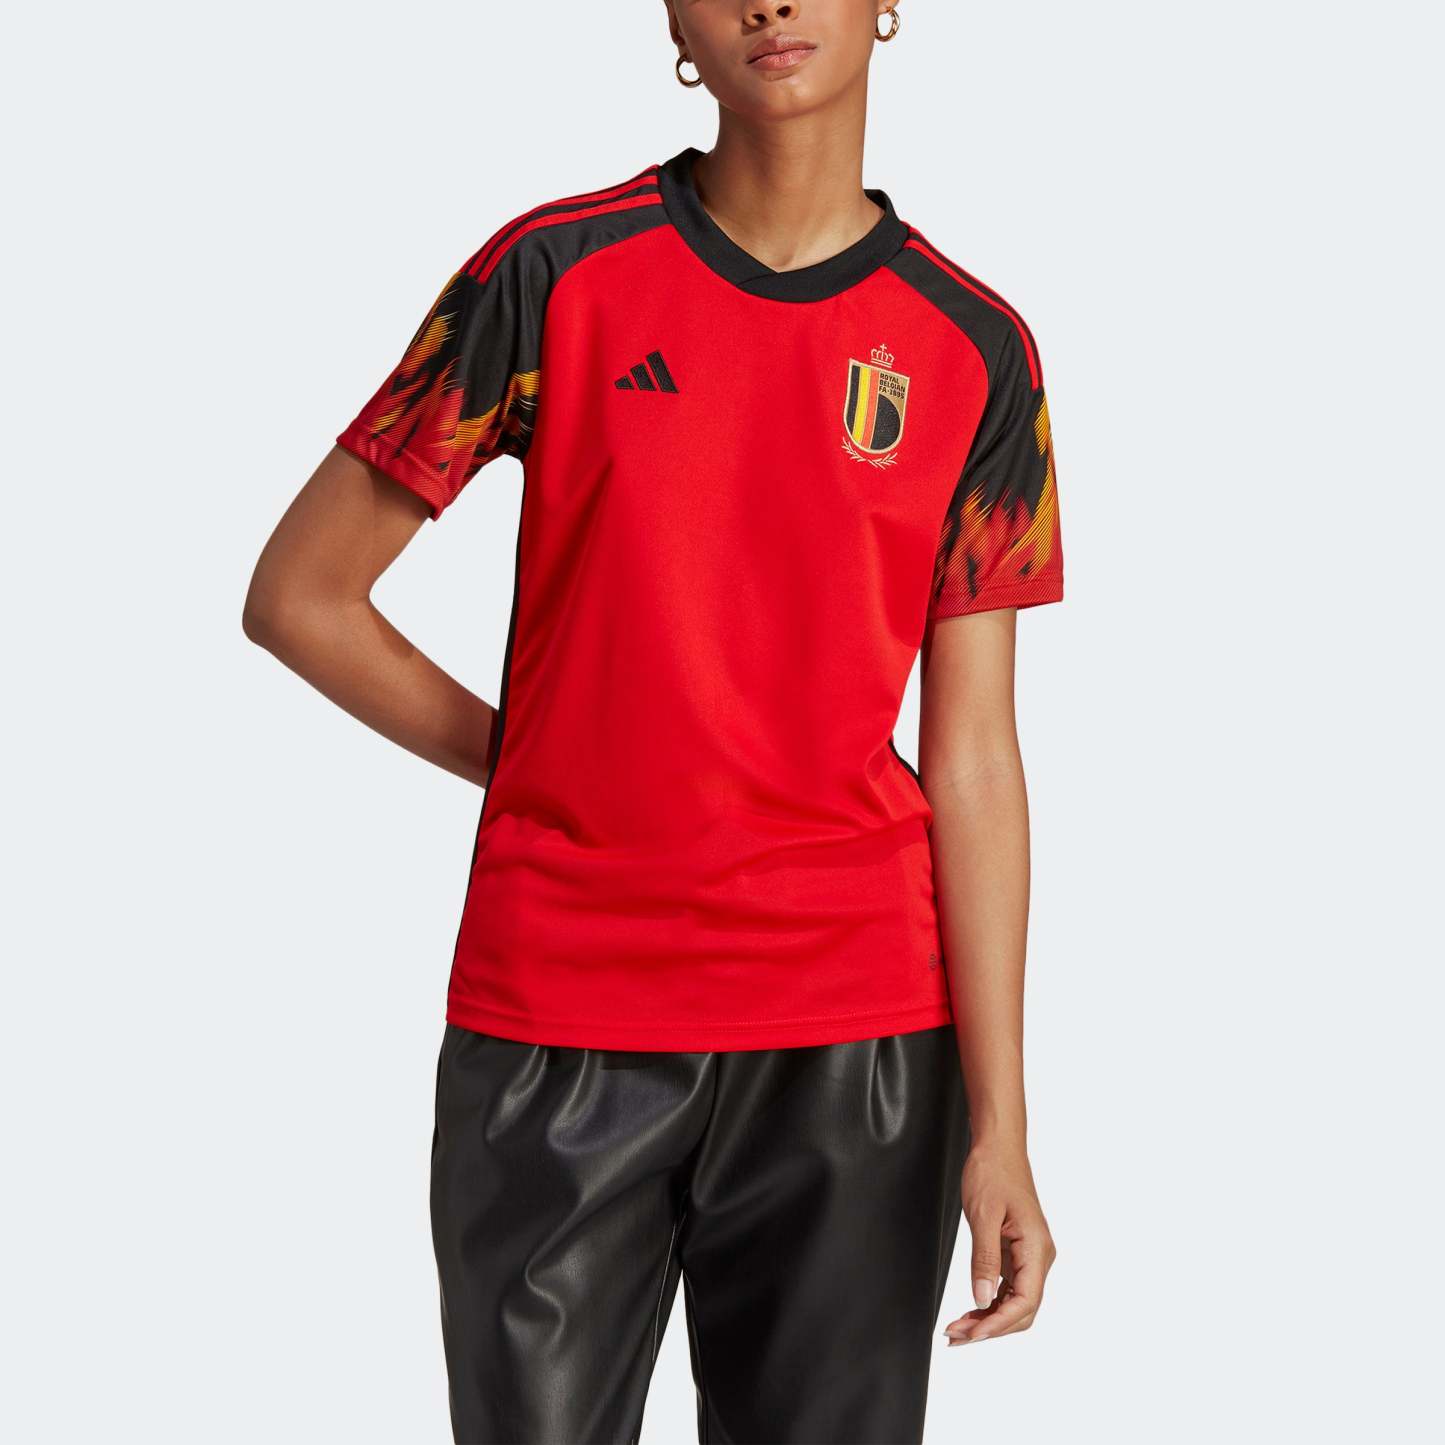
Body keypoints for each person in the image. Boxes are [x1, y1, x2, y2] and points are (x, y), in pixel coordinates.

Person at [243, 1, 1062, 1440]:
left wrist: (1002, 1126)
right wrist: (540, 754)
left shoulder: (975, 346)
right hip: (559, 1013)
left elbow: (975, 757)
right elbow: (302, 596)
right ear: (674, 17)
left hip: (858, 1038)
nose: (769, 4)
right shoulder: (550, 274)